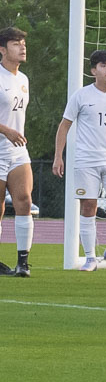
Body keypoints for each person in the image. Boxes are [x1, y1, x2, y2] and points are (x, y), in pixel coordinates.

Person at [52, 50, 106, 272]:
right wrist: (58, 156)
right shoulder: (81, 96)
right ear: (93, 70)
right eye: (103, 65)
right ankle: (90, 258)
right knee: (89, 206)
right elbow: (64, 125)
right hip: (86, 160)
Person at [0, 27, 34, 276]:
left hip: (18, 151)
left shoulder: (23, 79)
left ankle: (23, 263)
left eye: (23, 43)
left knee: (24, 201)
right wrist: (6, 131)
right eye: (15, 43)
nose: (22, 47)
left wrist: (15, 134)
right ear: (2, 50)